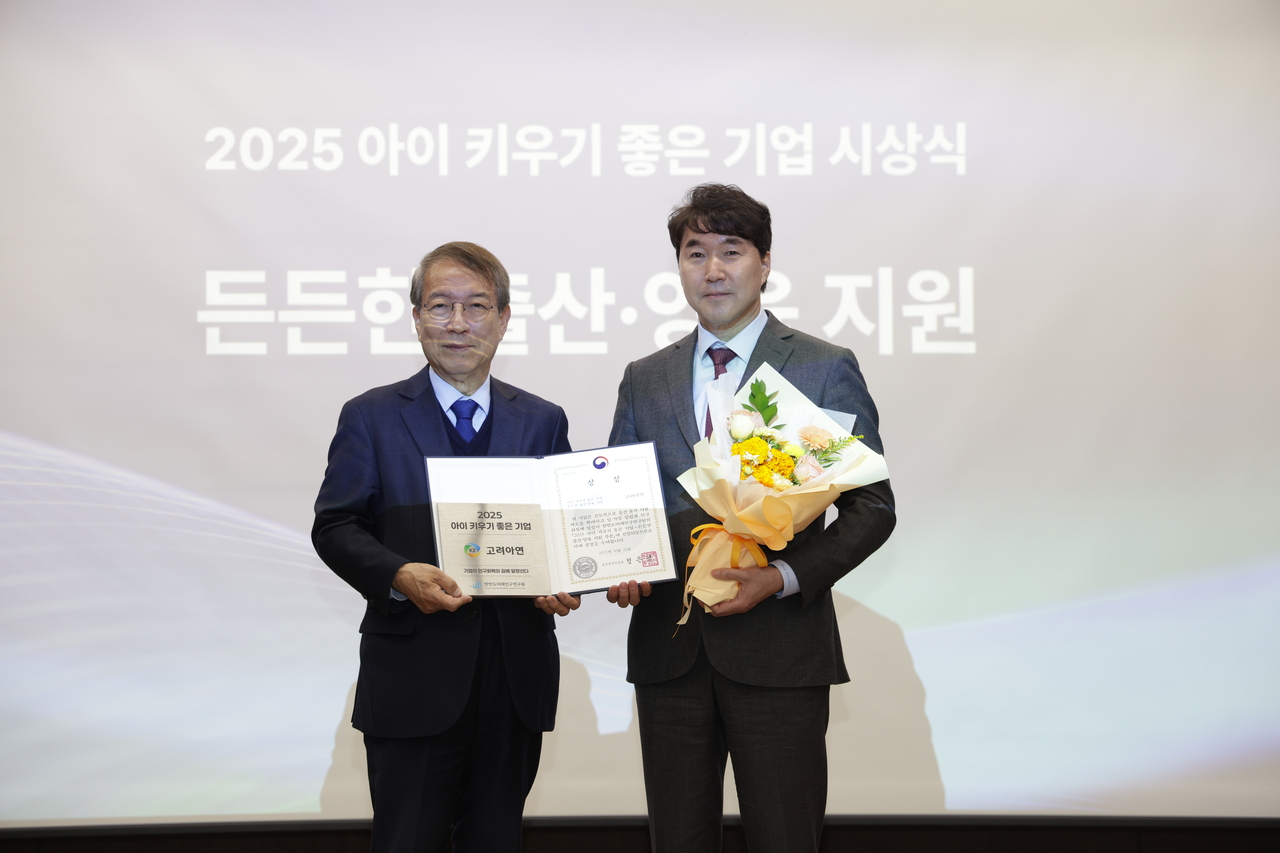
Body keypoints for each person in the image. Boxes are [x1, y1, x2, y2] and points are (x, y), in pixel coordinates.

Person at [607, 184, 896, 853]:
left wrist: (784, 577)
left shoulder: (822, 368)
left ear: (764, 263)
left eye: (731, 251)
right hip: (669, 651)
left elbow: (872, 507)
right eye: (695, 253)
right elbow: (624, 503)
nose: (712, 270)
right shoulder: (645, 378)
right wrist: (619, 563)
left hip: (781, 651)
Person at [312, 241, 580, 853]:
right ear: (416, 318)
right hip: (412, 678)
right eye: (440, 306)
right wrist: (396, 573)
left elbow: (561, 537)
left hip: (513, 680)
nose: (458, 323)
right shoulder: (371, 416)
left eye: (477, 306)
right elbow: (335, 526)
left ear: (503, 318)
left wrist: (566, 578)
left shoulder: (542, 421)